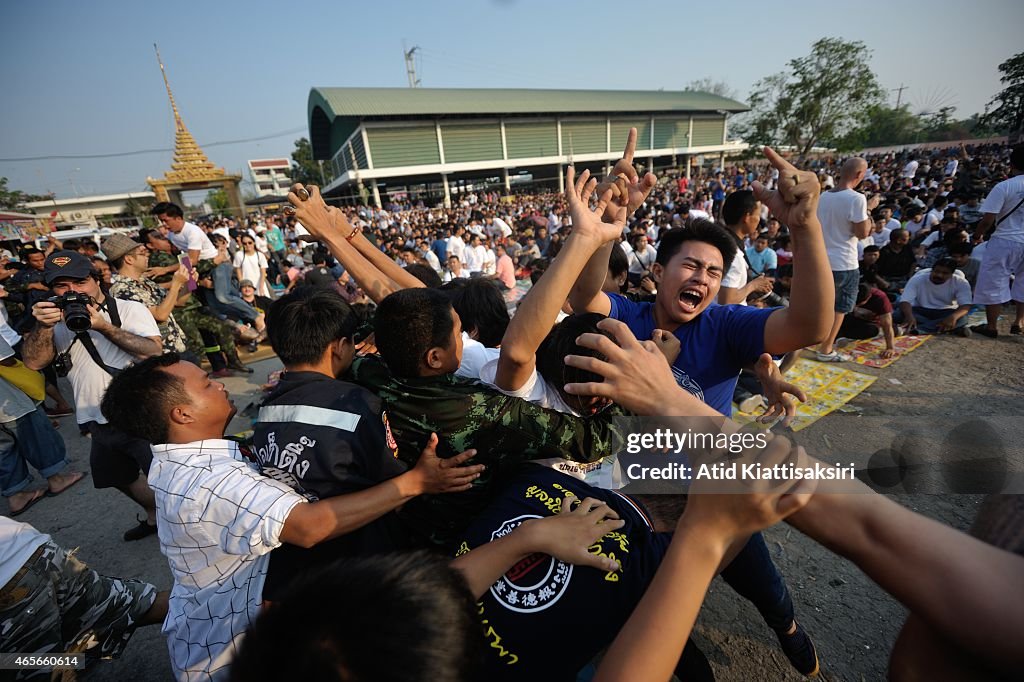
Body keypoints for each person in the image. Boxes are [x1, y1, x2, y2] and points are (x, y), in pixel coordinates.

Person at [553, 319, 1023, 681]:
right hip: (688, 524)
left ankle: (788, 628)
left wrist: (670, 398)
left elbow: (869, 529)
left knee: (766, 589)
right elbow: (869, 528)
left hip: (721, 511)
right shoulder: (576, 431)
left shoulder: (686, 363)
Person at [99, 353, 615, 681]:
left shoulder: (177, 460)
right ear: (181, 414)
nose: (219, 384)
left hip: (213, 632)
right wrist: (415, 482)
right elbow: (309, 525)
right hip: (235, 656)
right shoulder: (213, 481)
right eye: (206, 384)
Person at [252, 287, 483, 598]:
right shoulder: (358, 404)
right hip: (365, 564)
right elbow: (396, 484)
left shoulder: (266, 409)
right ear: (339, 347)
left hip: (301, 570)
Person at [21, 250, 163, 541]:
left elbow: (153, 351)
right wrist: (43, 326)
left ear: (96, 280)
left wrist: (103, 326)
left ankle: (189, 526)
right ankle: (156, 515)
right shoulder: (53, 321)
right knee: (116, 476)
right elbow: (34, 362)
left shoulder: (127, 309)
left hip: (139, 411)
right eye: (62, 285)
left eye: (80, 282)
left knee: (167, 477)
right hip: (94, 415)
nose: (72, 291)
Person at [0, 516, 169, 676]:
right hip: (32, 548)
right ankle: (193, 606)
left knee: (28, 665)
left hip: (11, 589)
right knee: (130, 604)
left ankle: (69, 662)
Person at [0, 333, 85, 517]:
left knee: (3, 450)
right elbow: (5, 359)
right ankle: (56, 479)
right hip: (8, 399)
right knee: (38, 438)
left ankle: (16, 496)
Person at [815, 157, 880, 362]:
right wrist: (869, 209)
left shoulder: (823, 196)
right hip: (844, 262)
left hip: (821, 260)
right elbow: (862, 233)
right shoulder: (856, 199)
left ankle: (810, 341)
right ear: (860, 175)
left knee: (820, 305)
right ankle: (825, 349)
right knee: (839, 308)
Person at [104, 234, 192, 357]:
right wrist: (176, 283)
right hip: (163, 354)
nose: (147, 256)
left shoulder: (145, 282)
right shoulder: (122, 289)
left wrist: (189, 284)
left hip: (176, 346)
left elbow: (177, 302)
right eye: (142, 254)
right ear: (129, 259)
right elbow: (160, 315)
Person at [970, 144, 1024, 338]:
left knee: (994, 281)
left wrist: (977, 236)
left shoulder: (1004, 186)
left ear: (1012, 163)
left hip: (1005, 240)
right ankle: (1018, 322)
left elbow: (987, 220)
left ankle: (991, 326)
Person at [718, 190, 774, 305]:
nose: (759, 220)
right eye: (758, 215)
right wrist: (753, 285)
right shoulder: (733, 254)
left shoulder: (718, 241)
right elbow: (726, 301)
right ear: (747, 217)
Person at [894, 258, 973, 336]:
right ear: (932, 270)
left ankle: (916, 330)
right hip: (920, 310)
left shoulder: (960, 282)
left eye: (945, 273)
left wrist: (953, 317)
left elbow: (965, 305)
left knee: (962, 318)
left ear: (951, 274)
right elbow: (905, 301)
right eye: (936, 271)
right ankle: (950, 328)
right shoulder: (918, 279)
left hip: (945, 312)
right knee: (898, 314)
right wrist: (909, 316)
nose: (939, 275)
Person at [837, 283, 897, 357]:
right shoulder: (848, 292)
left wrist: (890, 348)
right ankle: (838, 335)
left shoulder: (880, 298)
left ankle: (842, 336)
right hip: (851, 318)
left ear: (869, 297)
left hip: (869, 323)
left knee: (872, 330)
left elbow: (887, 325)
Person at [151, 202, 218, 268]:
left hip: (214, 262)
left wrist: (165, 270)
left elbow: (193, 260)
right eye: (161, 221)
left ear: (178, 218)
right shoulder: (171, 234)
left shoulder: (192, 232)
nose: (164, 224)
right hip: (199, 266)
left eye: (166, 221)